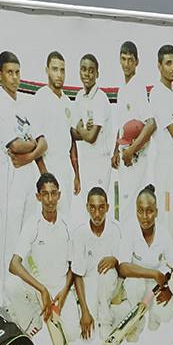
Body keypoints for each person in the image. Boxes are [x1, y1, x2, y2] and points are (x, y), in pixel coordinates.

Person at [0, 51, 48, 282]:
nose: (14, 78)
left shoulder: (24, 103)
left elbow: (43, 143)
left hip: (29, 177)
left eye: (17, 72)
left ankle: (25, 296)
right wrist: (34, 147)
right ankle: (6, 298)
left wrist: (31, 153)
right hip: (11, 176)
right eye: (9, 73)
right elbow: (15, 145)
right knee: (11, 240)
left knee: (28, 238)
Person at [7, 173, 75, 339]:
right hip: (38, 287)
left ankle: (65, 309)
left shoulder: (69, 224)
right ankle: (31, 320)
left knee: (72, 335)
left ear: (59, 195)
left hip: (60, 289)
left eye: (53, 193)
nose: (50, 199)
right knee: (12, 285)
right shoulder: (32, 225)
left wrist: (65, 290)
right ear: (38, 197)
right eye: (45, 194)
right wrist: (42, 289)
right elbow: (14, 264)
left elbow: (75, 265)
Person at [116, 185, 173, 340]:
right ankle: (137, 321)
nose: (144, 216)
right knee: (135, 286)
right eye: (140, 211)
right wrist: (153, 273)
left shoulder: (164, 234)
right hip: (137, 282)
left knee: (165, 313)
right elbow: (122, 268)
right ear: (135, 211)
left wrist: (169, 289)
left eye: (149, 211)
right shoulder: (130, 229)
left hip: (157, 285)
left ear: (156, 212)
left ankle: (154, 315)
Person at [68, 187, 123, 339]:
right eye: (92, 208)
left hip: (110, 282)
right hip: (88, 283)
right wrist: (85, 311)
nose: (97, 214)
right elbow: (77, 274)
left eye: (101, 208)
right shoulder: (80, 233)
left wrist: (115, 260)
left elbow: (124, 266)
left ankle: (106, 321)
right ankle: (98, 311)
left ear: (107, 208)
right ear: (87, 207)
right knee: (83, 334)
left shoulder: (115, 230)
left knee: (108, 272)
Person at [111, 41, 156, 224]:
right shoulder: (123, 90)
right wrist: (116, 150)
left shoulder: (138, 87)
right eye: (124, 59)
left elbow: (151, 124)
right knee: (123, 206)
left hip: (136, 160)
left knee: (131, 209)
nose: (127, 63)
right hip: (124, 157)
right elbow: (122, 124)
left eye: (131, 59)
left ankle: (131, 251)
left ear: (137, 62)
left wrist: (132, 150)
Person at [148, 45, 173, 241]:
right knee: (167, 218)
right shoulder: (157, 93)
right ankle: (162, 267)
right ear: (159, 66)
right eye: (168, 63)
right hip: (167, 166)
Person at [33, 51, 79, 217]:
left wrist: (76, 174)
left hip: (66, 167)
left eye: (62, 70)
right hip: (49, 164)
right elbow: (35, 140)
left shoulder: (67, 101)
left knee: (65, 217)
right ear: (47, 70)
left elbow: (72, 139)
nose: (59, 74)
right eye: (55, 69)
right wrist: (45, 176)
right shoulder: (40, 98)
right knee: (49, 218)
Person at [71, 53, 113, 224]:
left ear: (97, 74)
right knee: (87, 211)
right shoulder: (80, 97)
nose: (87, 74)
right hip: (86, 162)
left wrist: (82, 129)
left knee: (99, 210)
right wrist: (82, 130)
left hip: (100, 164)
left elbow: (92, 137)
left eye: (91, 70)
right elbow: (72, 133)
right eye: (83, 69)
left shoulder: (101, 99)